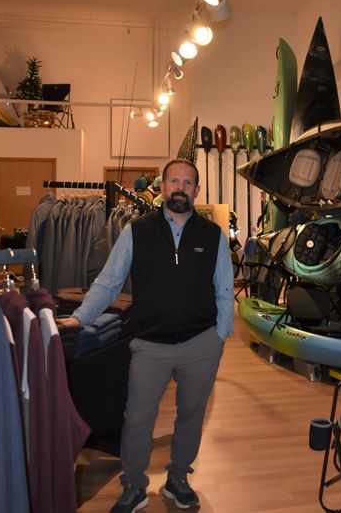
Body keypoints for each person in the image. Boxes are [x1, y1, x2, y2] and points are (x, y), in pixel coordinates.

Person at [56, 159, 234, 512]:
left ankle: (178, 478)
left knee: (190, 416)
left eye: (187, 182)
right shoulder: (136, 231)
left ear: (196, 191)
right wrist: (79, 318)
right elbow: (108, 282)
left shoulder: (212, 235)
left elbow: (225, 289)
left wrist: (220, 336)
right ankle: (134, 486)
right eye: (173, 181)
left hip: (201, 344)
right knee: (137, 419)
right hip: (150, 345)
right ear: (163, 187)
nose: (180, 187)